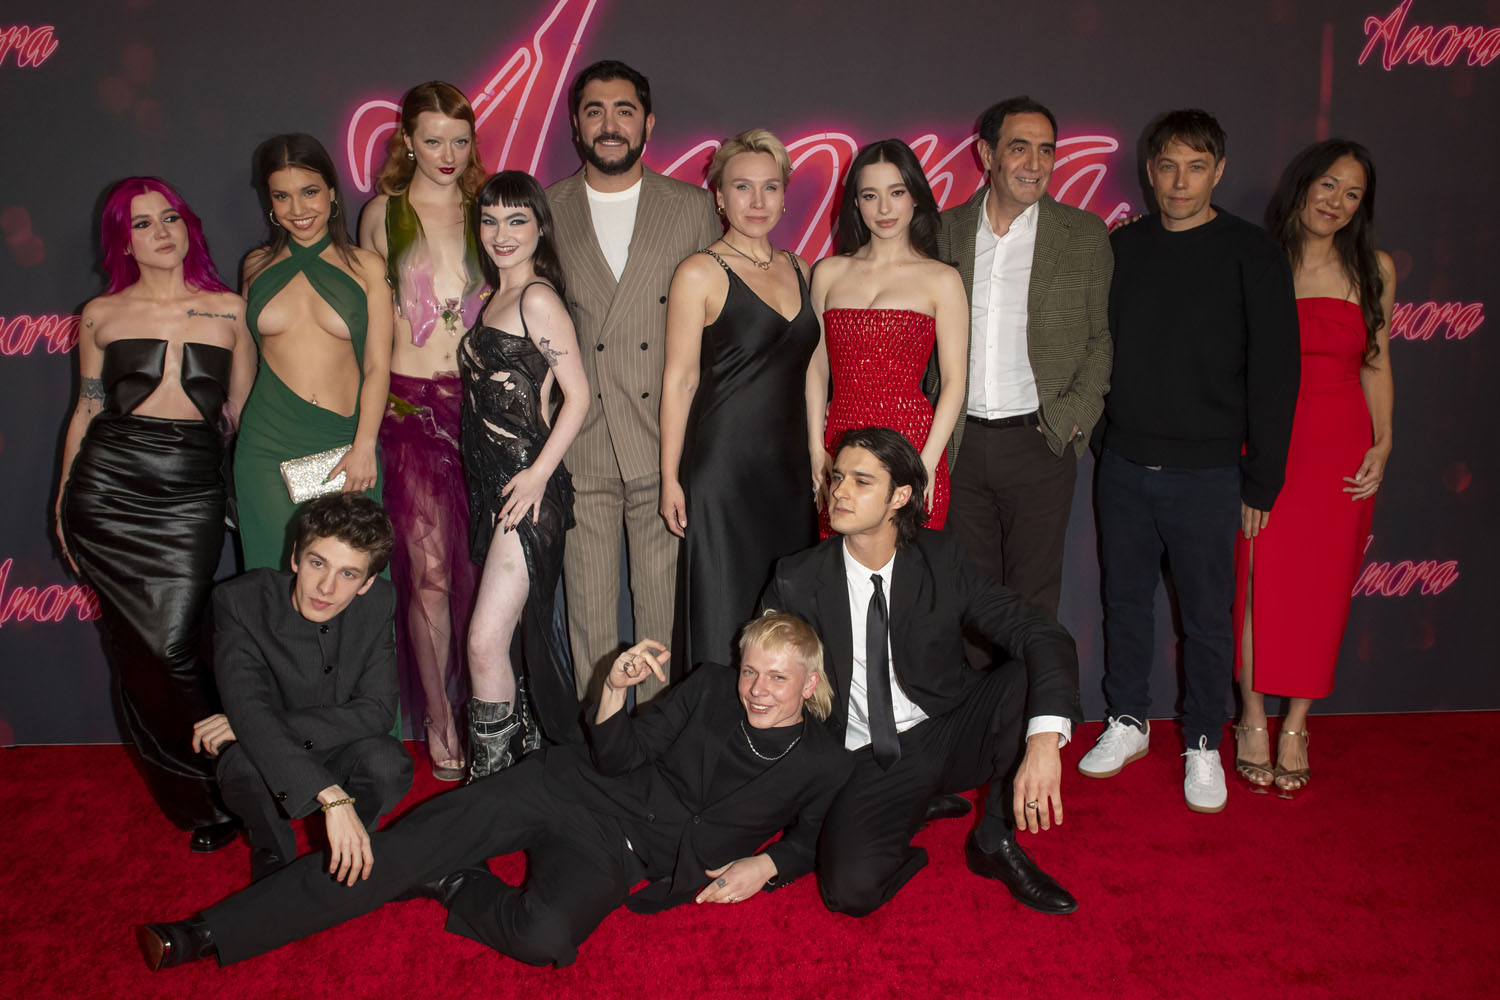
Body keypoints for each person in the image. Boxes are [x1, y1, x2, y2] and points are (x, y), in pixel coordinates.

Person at [137, 614, 850, 971]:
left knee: (547, 940)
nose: (757, 689)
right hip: (568, 787)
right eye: (750, 671)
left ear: (810, 683)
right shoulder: (710, 688)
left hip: (622, 852)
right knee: (398, 851)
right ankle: (207, 932)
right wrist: (613, 691)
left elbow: (815, 836)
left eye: (777, 678)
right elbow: (619, 753)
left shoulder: (823, 759)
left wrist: (767, 863)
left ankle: (453, 882)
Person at [762, 427, 1082, 916]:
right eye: (837, 477)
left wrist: (1042, 743)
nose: (840, 492)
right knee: (849, 892)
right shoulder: (797, 579)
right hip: (865, 753)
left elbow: (1041, 633)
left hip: (947, 728)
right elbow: (761, 683)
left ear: (900, 496)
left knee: (1025, 673)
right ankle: (912, 810)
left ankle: (993, 841)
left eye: (861, 481)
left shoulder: (941, 558)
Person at [1078, 109, 1300, 814]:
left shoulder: (1252, 254)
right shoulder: (1123, 247)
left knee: (1206, 619)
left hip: (1210, 474)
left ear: (1218, 171)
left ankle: (1203, 740)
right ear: (1150, 170)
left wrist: (1263, 478)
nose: (1180, 181)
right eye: (1168, 166)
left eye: (1196, 167)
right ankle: (1127, 720)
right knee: (1124, 603)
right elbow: (1097, 347)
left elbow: (1276, 374)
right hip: (1125, 465)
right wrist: (1105, 436)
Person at [55, 176, 255, 854]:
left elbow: (242, 415)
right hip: (107, 492)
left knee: (175, 646)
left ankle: (235, 778)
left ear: (187, 225)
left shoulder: (230, 310)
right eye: (142, 224)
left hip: (191, 493)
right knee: (138, 653)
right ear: (123, 242)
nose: (161, 232)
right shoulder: (101, 315)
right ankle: (203, 799)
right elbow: (87, 409)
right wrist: (63, 502)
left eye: (169, 217)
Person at [545, 59, 721, 701]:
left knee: (663, 620)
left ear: (648, 123)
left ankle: (659, 738)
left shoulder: (692, 207)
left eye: (624, 110)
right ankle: (603, 738)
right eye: (595, 111)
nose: (610, 124)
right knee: (588, 617)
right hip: (582, 443)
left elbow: (715, 328)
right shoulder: (547, 208)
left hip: (663, 444)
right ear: (576, 124)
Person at [1231, 139, 1395, 797]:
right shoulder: (1258, 258)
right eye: (1329, 185)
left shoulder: (1374, 269)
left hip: (1341, 447)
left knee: (1322, 590)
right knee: (1254, 580)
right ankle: (1250, 716)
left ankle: (1296, 724)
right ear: (1301, 185)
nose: (1337, 202)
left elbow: (1376, 362)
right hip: (1269, 442)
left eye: (1353, 194)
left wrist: (1384, 443)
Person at [935, 96, 1113, 619]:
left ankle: (1031, 682)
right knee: (970, 600)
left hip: (1041, 441)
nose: (1035, 163)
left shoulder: (1084, 236)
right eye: (1019, 148)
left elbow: (1100, 339)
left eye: (1046, 150)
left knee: (1033, 605)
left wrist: (1071, 418)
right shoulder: (943, 232)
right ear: (987, 154)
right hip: (959, 444)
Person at [357, 82, 489, 781]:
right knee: (431, 579)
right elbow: (374, 332)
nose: (447, 154)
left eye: (459, 141)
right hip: (410, 413)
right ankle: (440, 718)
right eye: (433, 139)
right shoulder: (383, 215)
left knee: (486, 578)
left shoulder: (487, 210)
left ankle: (489, 709)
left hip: (484, 412)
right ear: (407, 140)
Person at [660, 129, 820, 673]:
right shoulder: (699, 271)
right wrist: (670, 478)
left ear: (784, 196)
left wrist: (817, 453)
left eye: (770, 187)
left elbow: (812, 369)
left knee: (788, 614)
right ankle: (714, 720)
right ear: (720, 196)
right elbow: (680, 381)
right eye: (742, 187)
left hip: (790, 473)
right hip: (724, 473)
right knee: (725, 607)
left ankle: (785, 719)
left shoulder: (801, 268)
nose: (757, 201)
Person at [191, 494, 413, 882]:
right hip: (268, 756)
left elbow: (378, 710)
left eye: (348, 574)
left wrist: (250, 724)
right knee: (239, 766)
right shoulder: (240, 601)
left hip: (339, 743)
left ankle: (353, 841)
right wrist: (331, 796)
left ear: (367, 583)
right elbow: (248, 703)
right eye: (317, 563)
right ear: (295, 557)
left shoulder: (379, 601)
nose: (326, 587)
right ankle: (272, 854)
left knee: (388, 763)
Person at [458, 171, 589, 776]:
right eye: (490, 220)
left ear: (540, 227)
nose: (501, 233)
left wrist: (537, 476)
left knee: (485, 641)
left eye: (516, 220)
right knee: (510, 641)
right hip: (497, 488)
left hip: (526, 491)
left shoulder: (537, 298)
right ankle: (521, 776)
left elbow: (578, 398)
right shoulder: (495, 298)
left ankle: (491, 786)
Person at [234, 133, 395, 569]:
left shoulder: (367, 267)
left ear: (331, 192)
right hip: (265, 446)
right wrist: (235, 425)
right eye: (281, 196)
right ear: (269, 201)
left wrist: (365, 444)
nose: (298, 209)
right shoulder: (255, 266)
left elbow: (378, 365)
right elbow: (245, 356)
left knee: (346, 576)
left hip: (344, 444)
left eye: (309, 192)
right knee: (272, 576)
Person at [810, 139, 967, 534]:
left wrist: (926, 464)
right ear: (855, 203)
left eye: (896, 192)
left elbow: (954, 382)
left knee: (910, 565)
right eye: (870, 195)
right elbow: (815, 368)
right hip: (838, 449)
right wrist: (815, 446)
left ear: (915, 196)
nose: (883, 209)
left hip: (912, 445)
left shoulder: (942, 279)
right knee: (838, 564)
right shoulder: (827, 272)